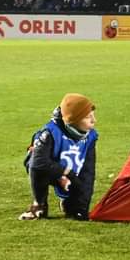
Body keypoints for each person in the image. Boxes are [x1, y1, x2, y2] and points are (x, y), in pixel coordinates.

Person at [19, 93, 98, 221]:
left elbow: (88, 172)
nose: (94, 121)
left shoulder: (91, 137)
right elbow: (38, 163)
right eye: (88, 117)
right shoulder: (49, 133)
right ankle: (39, 206)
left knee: (78, 201)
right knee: (36, 166)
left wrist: (81, 207)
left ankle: (69, 204)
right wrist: (65, 173)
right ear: (74, 120)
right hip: (49, 170)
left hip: (72, 173)